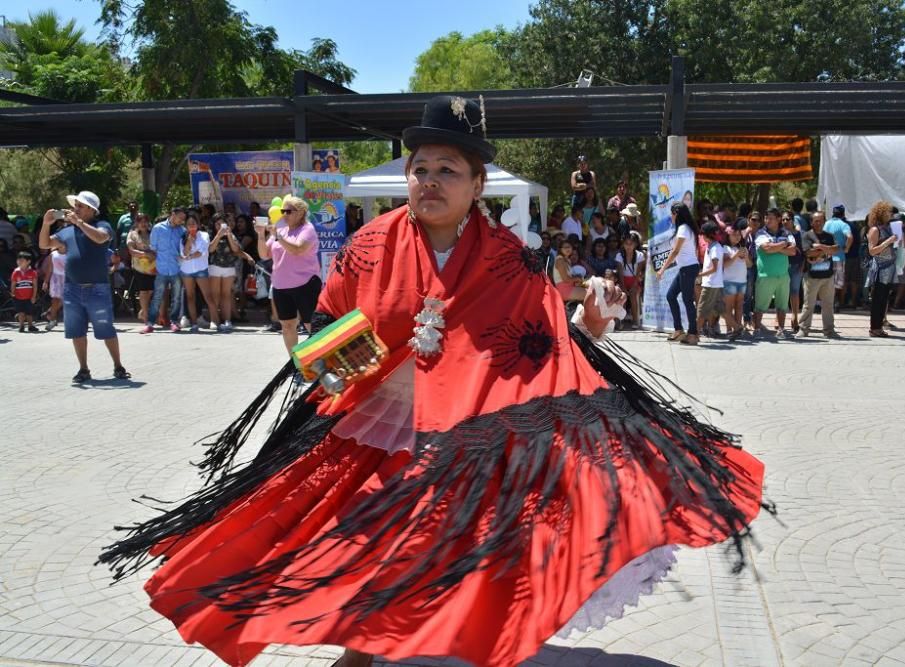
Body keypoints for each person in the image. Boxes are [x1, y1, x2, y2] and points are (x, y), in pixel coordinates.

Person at [102, 95, 765, 667]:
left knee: (469, 544)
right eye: (419, 168)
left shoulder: (511, 258)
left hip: (475, 431)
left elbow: (544, 345)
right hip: (380, 423)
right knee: (360, 539)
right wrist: (341, 360)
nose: (429, 180)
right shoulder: (372, 245)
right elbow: (323, 331)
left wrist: (588, 323)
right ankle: (362, 649)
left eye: (448, 169)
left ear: (478, 183)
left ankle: (460, 637)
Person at [38, 191, 129, 382]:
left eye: (79, 206)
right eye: (75, 205)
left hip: (98, 288)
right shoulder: (67, 231)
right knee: (76, 331)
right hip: (72, 289)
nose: (74, 209)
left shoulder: (102, 225)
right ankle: (83, 369)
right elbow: (45, 244)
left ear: (91, 209)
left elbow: (100, 238)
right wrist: (46, 225)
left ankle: (118, 366)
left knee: (106, 330)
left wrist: (78, 223)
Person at [257, 194, 321, 355]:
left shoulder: (308, 229)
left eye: (288, 211)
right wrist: (260, 234)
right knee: (287, 326)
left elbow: (298, 249)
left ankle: (321, 363)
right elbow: (264, 254)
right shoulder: (281, 228)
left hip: (305, 284)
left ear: (300, 212)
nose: (284, 214)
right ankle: (296, 365)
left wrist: (278, 236)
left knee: (311, 325)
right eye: (283, 211)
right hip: (281, 285)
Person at [656, 203, 700, 343]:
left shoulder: (683, 229)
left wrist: (662, 269)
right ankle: (679, 330)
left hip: (688, 268)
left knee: (687, 300)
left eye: (672, 213)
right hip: (686, 268)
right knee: (671, 295)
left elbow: (675, 251)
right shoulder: (686, 228)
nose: (671, 216)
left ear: (676, 213)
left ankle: (693, 333)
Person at [141, 207, 187, 334]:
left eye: (183, 219)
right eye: (180, 218)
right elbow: (153, 248)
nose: (182, 221)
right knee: (157, 297)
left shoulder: (183, 231)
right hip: (161, 268)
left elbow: (184, 249)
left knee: (176, 297)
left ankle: (174, 322)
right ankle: (150, 323)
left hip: (176, 268)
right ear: (173, 214)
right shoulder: (158, 228)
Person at [752, 208, 796, 337]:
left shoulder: (787, 233)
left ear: (778, 219)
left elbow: (793, 251)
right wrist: (784, 244)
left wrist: (775, 247)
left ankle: (781, 329)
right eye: (766, 218)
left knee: (782, 306)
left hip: (783, 276)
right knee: (760, 306)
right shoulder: (760, 233)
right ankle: (757, 329)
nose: (767, 220)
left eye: (770, 218)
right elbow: (766, 249)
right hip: (765, 275)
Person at [208, 213, 254, 332]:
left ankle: (227, 320)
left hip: (229, 267)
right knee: (215, 295)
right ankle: (214, 320)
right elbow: (210, 249)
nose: (219, 226)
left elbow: (236, 249)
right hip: (215, 267)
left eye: (222, 224)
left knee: (226, 295)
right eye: (217, 224)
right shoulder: (210, 235)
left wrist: (228, 235)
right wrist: (218, 235)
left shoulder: (231, 235)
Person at [696, 221, 738, 342]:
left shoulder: (715, 248)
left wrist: (699, 274)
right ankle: (736, 328)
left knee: (701, 309)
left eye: (703, 234)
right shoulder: (713, 246)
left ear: (707, 235)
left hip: (711, 284)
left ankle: (695, 334)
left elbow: (714, 268)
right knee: (721, 310)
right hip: (715, 283)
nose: (702, 237)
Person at [799, 212, 838, 337]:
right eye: (816, 221)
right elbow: (808, 253)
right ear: (811, 222)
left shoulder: (829, 236)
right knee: (808, 305)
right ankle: (804, 329)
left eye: (821, 220)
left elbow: (835, 249)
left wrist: (820, 247)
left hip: (828, 276)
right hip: (811, 277)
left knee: (828, 305)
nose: (818, 223)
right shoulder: (807, 236)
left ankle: (829, 330)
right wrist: (826, 251)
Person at [178, 214, 216, 333]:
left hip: (201, 269)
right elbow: (183, 253)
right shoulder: (183, 237)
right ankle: (194, 323)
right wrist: (189, 242)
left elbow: (202, 251)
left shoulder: (204, 235)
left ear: (198, 224)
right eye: (189, 224)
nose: (191, 226)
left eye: (194, 223)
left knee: (208, 296)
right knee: (190, 297)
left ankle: (214, 321)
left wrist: (188, 256)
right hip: (186, 270)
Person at [866, 201, 898, 338]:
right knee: (877, 299)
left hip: (889, 268)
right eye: (888, 212)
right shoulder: (875, 230)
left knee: (884, 299)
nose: (890, 215)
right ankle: (874, 328)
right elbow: (872, 251)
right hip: (879, 269)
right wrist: (888, 242)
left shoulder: (889, 228)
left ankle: (878, 327)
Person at [126, 214, 156, 325]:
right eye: (141, 222)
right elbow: (132, 251)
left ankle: (143, 310)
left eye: (145, 221)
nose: (143, 224)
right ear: (137, 223)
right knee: (143, 291)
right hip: (139, 267)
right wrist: (145, 254)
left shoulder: (153, 234)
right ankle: (146, 316)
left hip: (153, 268)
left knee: (151, 290)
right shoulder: (132, 235)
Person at [722, 225, 750, 339]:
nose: (737, 237)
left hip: (742, 281)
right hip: (729, 281)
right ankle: (729, 330)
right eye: (734, 234)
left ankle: (737, 329)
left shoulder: (743, 248)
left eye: (739, 235)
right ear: (728, 235)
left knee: (739, 306)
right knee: (728, 307)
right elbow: (725, 264)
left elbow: (749, 265)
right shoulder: (725, 248)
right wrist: (736, 255)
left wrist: (746, 257)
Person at [824, 204, 853, 310]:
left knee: (826, 280)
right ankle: (835, 302)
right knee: (837, 283)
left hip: (826, 257)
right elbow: (850, 237)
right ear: (843, 213)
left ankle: (825, 302)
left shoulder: (826, 224)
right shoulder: (843, 225)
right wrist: (846, 248)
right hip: (839, 257)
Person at [782, 210, 805, 333]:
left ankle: (795, 317)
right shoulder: (780, 234)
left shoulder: (799, 234)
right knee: (782, 292)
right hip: (782, 266)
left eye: (787, 219)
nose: (785, 221)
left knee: (795, 292)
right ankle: (779, 318)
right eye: (783, 219)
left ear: (792, 220)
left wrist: (803, 265)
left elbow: (804, 251)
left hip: (796, 265)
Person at [616, 232, 645, 329]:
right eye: (626, 243)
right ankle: (620, 320)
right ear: (623, 244)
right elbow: (620, 274)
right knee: (621, 295)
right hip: (623, 280)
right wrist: (623, 287)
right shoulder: (619, 255)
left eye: (631, 243)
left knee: (633, 295)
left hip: (634, 281)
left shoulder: (640, 255)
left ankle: (635, 320)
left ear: (635, 244)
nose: (628, 246)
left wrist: (633, 286)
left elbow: (638, 274)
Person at [11, 251, 39, 332]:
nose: (19, 262)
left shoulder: (33, 272)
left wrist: (34, 296)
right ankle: (21, 326)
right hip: (18, 296)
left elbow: (35, 285)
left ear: (28, 261)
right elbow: (13, 284)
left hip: (29, 297)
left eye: (22, 260)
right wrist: (12, 293)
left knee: (29, 312)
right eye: (18, 260)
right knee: (21, 312)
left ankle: (30, 325)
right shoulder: (15, 272)